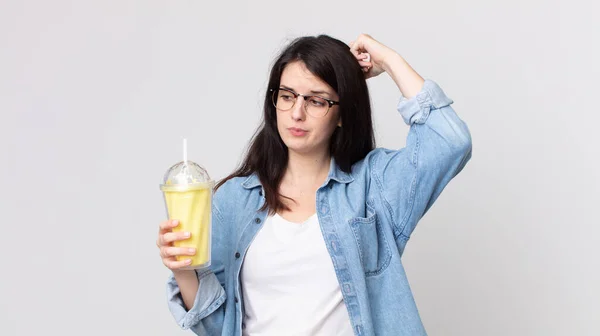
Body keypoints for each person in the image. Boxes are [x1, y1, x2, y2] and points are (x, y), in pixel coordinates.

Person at [156, 33, 472, 336]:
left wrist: (390, 61)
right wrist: (183, 270)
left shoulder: (372, 187)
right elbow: (216, 326)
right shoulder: (234, 200)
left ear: (341, 114)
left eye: (316, 101)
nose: (296, 112)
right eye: (287, 96)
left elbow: (449, 142)